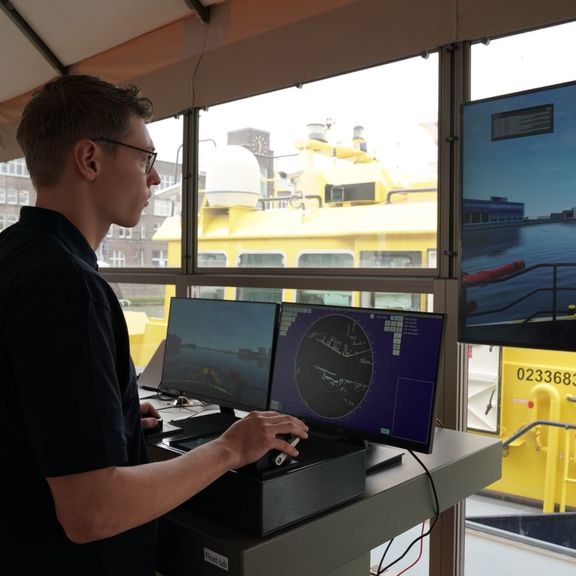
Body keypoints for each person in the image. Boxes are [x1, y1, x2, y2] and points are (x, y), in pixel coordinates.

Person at [0, 75, 308, 576]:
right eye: (145, 158)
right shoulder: (67, 286)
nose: (155, 179)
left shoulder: (14, 256)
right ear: (90, 160)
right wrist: (230, 448)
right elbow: (90, 511)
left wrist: (113, 416)